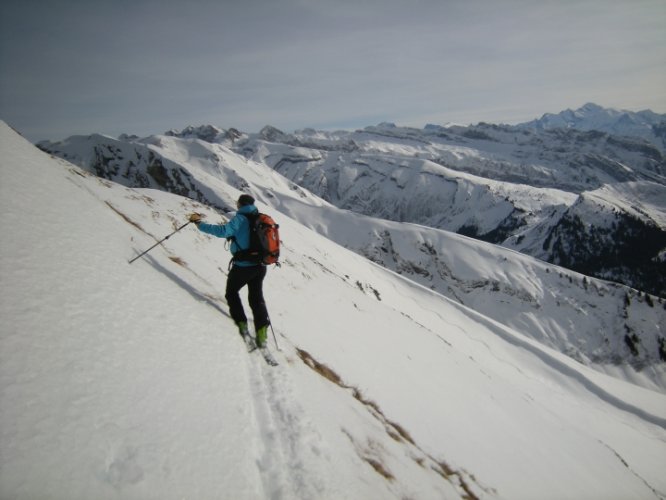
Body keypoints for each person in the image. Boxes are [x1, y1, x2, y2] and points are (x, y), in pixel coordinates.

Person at [188, 194, 270, 348]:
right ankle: (262, 333)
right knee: (256, 298)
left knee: (232, 293)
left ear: (240, 204)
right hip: (260, 266)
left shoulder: (240, 219)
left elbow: (223, 231)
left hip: (243, 266)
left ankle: (242, 324)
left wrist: (199, 224)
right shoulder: (261, 218)